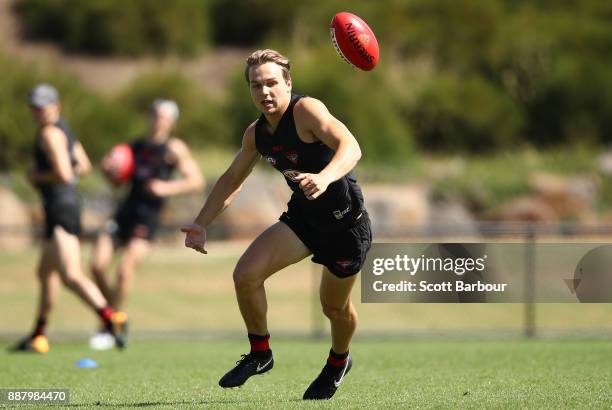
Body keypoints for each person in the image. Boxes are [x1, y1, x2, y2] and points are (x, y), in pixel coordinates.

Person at [182, 49, 372, 400]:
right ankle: (260, 353)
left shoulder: (307, 110)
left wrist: (326, 176)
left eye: (271, 83)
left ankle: (338, 362)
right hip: (303, 220)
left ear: (288, 83)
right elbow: (232, 179)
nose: (265, 92)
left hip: (345, 226)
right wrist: (200, 223)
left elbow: (351, 146)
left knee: (333, 308)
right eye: (256, 86)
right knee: (246, 275)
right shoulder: (257, 134)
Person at [11, 84, 126, 353]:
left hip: (60, 206)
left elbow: (63, 174)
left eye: (42, 106)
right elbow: (83, 166)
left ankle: (112, 318)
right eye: (34, 106)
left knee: (71, 274)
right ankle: (39, 334)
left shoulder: (50, 134)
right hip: (62, 205)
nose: (37, 111)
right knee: (45, 272)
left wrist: (35, 176)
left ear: (56, 106)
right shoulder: (64, 130)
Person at [90, 99, 204, 348]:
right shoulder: (135, 146)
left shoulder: (174, 148)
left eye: (162, 116)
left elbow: (196, 181)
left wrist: (166, 187)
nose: (156, 119)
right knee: (97, 266)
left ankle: (110, 326)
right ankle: (114, 316)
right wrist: (108, 171)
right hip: (124, 214)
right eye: (153, 114)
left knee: (123, 271)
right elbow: (118, 182)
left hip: (147, 218)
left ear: (171, 122)